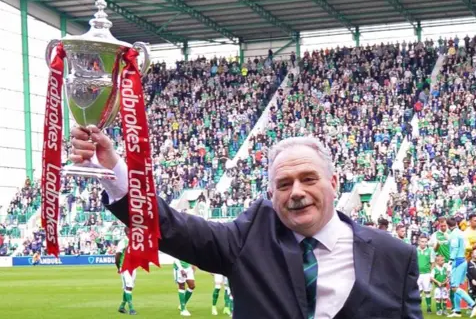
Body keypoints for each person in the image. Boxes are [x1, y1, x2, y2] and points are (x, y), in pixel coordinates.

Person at [70, 128, 423, 319]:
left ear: (333, 184)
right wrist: (111, 169)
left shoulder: (395, 256)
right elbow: (170, 226)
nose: (296, 192)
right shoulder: (247, 238)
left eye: (308, 179)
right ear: (271, 195)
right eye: (284, 185)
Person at [446, 217, 476, 318]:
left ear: (448, 226)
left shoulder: (454, 234)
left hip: (457, 261)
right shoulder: (461, 233)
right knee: (456, 286)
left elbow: (455, 248)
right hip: (463, 260)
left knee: (454, 287)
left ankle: (473, 304)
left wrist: (450, 261)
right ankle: (457, 311)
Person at [115, 228, 137, 315]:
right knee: (129, 285)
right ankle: (131, 309)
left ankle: (122, 306)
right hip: (125, 267)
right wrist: (119, 267)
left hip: (133, 267)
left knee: (129, 287)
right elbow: (117, 255)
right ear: (127, 232)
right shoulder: (123, 242)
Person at [416, 234, 434, 313]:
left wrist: (431, 274)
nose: (423, 243)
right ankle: (418, 308)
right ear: (419, 242)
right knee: (418, 291)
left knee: (427, 291)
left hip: (427, 274)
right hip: (417, 274)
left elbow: (432, 263)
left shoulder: (430, 250)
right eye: (422, 242)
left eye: (425, 242)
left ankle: (429, 308)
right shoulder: (415, 250)